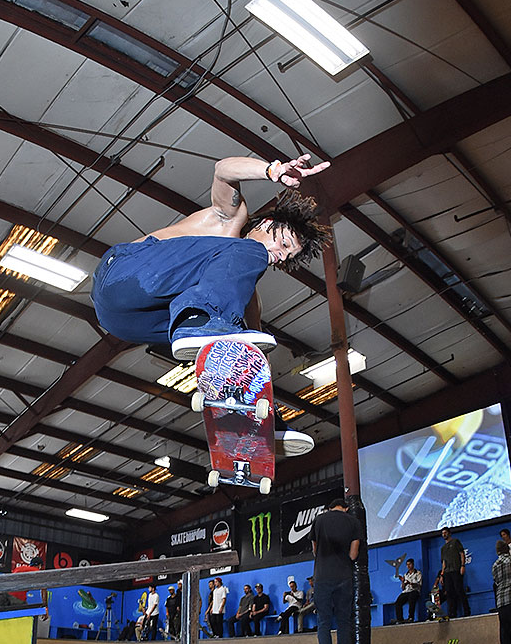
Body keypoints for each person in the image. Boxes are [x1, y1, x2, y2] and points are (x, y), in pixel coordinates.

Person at [91, 154, 332, 457]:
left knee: (236, 332)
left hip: (125, 322)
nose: (278, 256)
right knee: (247, 254)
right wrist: (271, 170)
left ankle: (251, 419)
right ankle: (198, 322)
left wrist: (264, 406)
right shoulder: (229, 222)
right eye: (283, 245)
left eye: (286, 256)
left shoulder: (237, 290)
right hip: (123, 277)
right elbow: (223, 171)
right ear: (268, 223)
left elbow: (254, 357)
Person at [311, 493, 361, 644]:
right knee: (343, 621)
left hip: (322, 576)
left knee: (323, 620)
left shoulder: (319, 520)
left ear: (330, 507)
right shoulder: (353, 522)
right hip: (343, 577)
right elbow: (353, 555)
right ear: (345, 508)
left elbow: (315, 550)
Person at [440, 527, 470, 618]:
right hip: (447, 572)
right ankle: (452, 613)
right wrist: (442, 574)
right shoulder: (443, 548)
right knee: (449, 593)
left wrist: (462, 566)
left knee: (459, 590)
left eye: (445, 532)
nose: (444, 534)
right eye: (442, 533)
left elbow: (462, 554)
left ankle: (467, 611)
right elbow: (444, 562)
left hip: (456, 570)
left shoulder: (455, 542)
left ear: (449, 533)